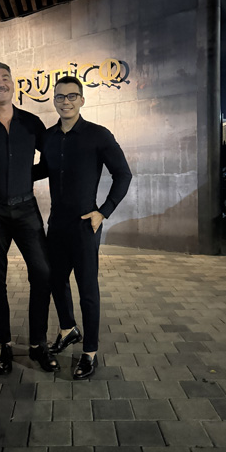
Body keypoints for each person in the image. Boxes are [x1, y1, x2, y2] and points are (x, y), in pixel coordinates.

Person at [35, 75, 132, 379]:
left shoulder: (98, 135)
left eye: (71, 96)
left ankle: (90, 351)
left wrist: (103, 211)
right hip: (57, 224)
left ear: (81, 100)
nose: (65, 102)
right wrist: (6, 174)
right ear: (54, 100)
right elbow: (43, 169)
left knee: (87, 289)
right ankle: (68, 329)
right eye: (60, 96)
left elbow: (123, 174)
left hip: (85, 225)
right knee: (55, 280)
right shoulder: (48, 137)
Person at [0, 62, 59, 374]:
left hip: (26, 209)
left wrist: (22, 175)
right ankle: (4, 346)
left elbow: (50, 161)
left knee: (43, 273)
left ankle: (38, 344)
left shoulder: (31, 123)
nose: (0, 83)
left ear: (13, 85)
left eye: (5, 78)